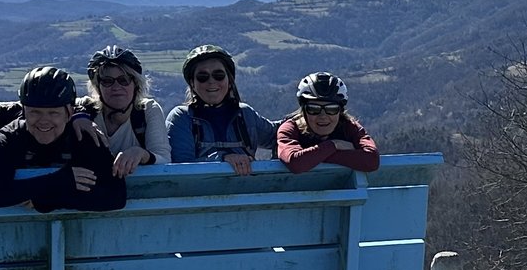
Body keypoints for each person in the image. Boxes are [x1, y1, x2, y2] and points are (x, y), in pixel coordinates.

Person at [0, 66, 129, 212]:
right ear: (23, 111)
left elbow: (115, 196)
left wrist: (47, 200)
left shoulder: (83, 136)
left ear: (69, 112)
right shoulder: (9, 138)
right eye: (35, 112)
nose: (43, 120)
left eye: (53, 113)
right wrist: (59, 181)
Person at [162, 43, 277, 175]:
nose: (211, 81)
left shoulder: (245, 115)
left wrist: (303, 116)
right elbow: (181, 167)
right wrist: (222, 158)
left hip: (245, 192)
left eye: (219, 75)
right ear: (192, 84)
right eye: (202, 77)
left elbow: (277, 135)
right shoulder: (182, 118)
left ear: (230, 81)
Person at [77, 43, 173, 179]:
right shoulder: (86, 109)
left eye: (124, 80)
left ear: (136, 85)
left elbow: (164, 160)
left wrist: (141, 154)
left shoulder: (147, 111)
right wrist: (77, 117)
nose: (116, 87)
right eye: (107, 81)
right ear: (98, 87)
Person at [275, 71, 381, 174]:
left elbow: (372, 160)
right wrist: (334, 145)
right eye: (314, 109)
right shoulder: (290, 128)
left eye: (331, 109)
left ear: (340, 111)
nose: (323, 116)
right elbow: (295, 163)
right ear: (304, 111)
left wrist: (312, 157)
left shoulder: (349, 127)